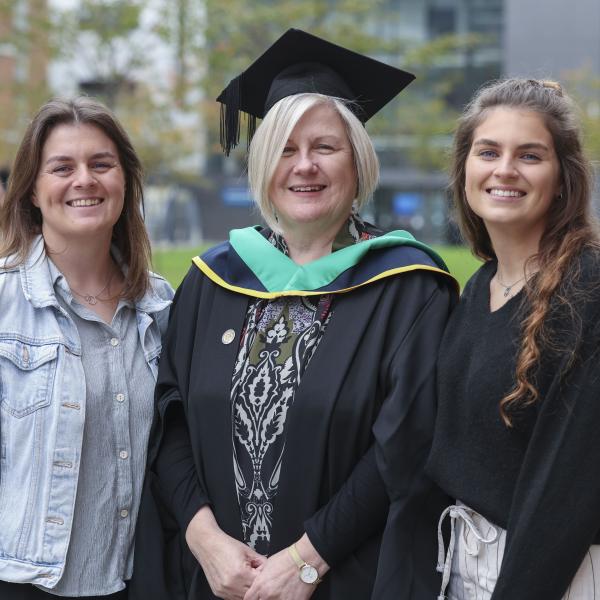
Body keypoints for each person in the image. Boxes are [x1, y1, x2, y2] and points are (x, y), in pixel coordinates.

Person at [131, 29, 457, 600]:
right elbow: (169, 415)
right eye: (285, 148)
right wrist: (204, 538)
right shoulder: (214, 279)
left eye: (324, 147)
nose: (304, 166)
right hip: (218, 582)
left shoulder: (409, 288)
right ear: (262, 164)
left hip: (346, 579)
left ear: (357, 160)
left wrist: (307, 560)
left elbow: (405, 447)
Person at [427, 78, 600, 599]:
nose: (505, 170)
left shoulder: (585, 289)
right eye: (488, 152)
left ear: (563, 178)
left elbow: (569, 487)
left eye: (530, 155)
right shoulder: (482, 285)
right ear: (465, 170)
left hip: (553, 576)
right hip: (466, 561)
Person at [0, 97, 174, 599]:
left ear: (125, 181)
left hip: (137, 580)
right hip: (24, 582)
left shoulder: (163, 309)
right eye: (62, 167)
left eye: (102, 164)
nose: (85, 180)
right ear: (32, 189)